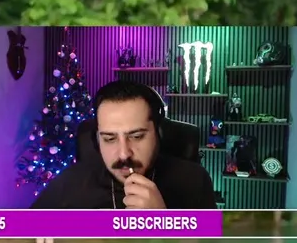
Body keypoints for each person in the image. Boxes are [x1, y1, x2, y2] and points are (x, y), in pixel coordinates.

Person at [31, 80, 216, 210]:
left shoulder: (194, 181)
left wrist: (165, 225)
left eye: (136, 136)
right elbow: (21, 233)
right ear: (96, 140)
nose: (123, 154)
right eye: (109, 139)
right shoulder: (70, 183)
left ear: (159, 134)